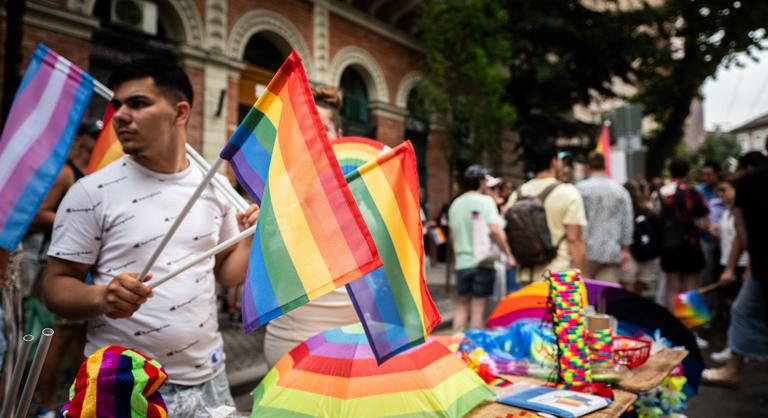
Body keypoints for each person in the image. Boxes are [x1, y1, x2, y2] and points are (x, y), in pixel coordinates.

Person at [41, 58, 258, 416]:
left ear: (179, 112)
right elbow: (56, 287)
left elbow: (224, 273)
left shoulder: (214, 187)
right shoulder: (90, 192)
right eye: (117, 105)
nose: (120, 116)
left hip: (209, 378)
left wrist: (249, 241)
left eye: (138, 103)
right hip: (122, 386)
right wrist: (101, 296)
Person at [263, 86, 360, 368]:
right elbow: (237, 275)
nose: (311, 137)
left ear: (338, 137)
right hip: (290, 345)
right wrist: (252, 233)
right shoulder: (271, 192)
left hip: (355, 341)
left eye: (321, 128)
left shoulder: (368, 187)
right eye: (302, 128)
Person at [29, 120, 100, 418]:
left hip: (88, 266)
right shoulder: (67, 172)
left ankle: (75, 399)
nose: (100, 140)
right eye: (94, 136)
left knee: (81, 336)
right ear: (81, 139)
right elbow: (38, 213)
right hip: (60, 265)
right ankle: (45, 405)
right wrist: (76, 218)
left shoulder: (96, 171)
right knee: (57, 338)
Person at [702, 162, 768, 386]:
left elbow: (742, 231)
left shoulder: (753, 180)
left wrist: (748, 264)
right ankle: (734, 365)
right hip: (755, 266)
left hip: (757, 267)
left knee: (742, 311)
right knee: (741, 310)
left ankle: (733, 368)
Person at [504, 142, 587, 283]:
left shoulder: (517, 194)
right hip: (561, 276)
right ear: (554, 162)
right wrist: (582, 274)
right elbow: (574, 239)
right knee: (563, 306)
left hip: (526, 276)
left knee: (533, 306)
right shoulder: (568, 192)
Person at [448, 165, 515, 331]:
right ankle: (473, 351)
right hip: (482, 262)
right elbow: (495, 230)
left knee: (462, 305)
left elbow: (452, 235)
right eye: (485, 179)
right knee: (478, 309)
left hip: (462, 262)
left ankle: (454, 346)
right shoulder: (485, 202)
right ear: (479, 181)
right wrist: (508, 254)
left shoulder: (455, 204)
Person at [652, 158, 709, 310]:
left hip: (668, 245)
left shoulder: (659, 193)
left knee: (672, 287)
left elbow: (656, 216)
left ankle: (674, 327)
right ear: (688, 172)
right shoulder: (691, 192)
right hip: (690, 244)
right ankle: (691, 329)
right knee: (691, 286)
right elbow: (703, 220)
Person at [576, 152, 633, 283]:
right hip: (611, 251)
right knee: (606, 298)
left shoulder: (580, 189)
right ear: (605, 166)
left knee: (584, 297)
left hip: (585, 251)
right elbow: (627, 222)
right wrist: (625, 249)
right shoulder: (620, 190)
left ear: (588, 167)